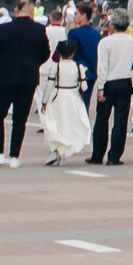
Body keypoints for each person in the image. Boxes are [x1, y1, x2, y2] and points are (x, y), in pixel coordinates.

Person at [0, 0, 50, 168]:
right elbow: (45, 53)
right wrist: (33, 64)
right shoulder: (39, 30)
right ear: (31, 11)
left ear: (15, 10)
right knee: (20, 119)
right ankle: (14, 156)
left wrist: (2, 66)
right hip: (28, 79)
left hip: (5, 77)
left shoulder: (4, 29)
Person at [92, 9, 133, 167]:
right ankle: (114, 155)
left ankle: (97, 154)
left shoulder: (105, 42)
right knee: (121, 120)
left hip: (109, 82)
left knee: (102, 118)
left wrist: (100, 86)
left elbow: (102, 66)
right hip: (125, 81)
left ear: (113, 25)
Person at [38, 32, 91, 166]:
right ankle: (66, 151)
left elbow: (49, 86)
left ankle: (57, 152)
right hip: (73, 97)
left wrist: (44, 101)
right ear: (73, 52)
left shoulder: (55, 66)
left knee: (55, 125)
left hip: (57, 96)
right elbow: (84, 86)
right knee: (71, 125)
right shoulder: (79, 67)